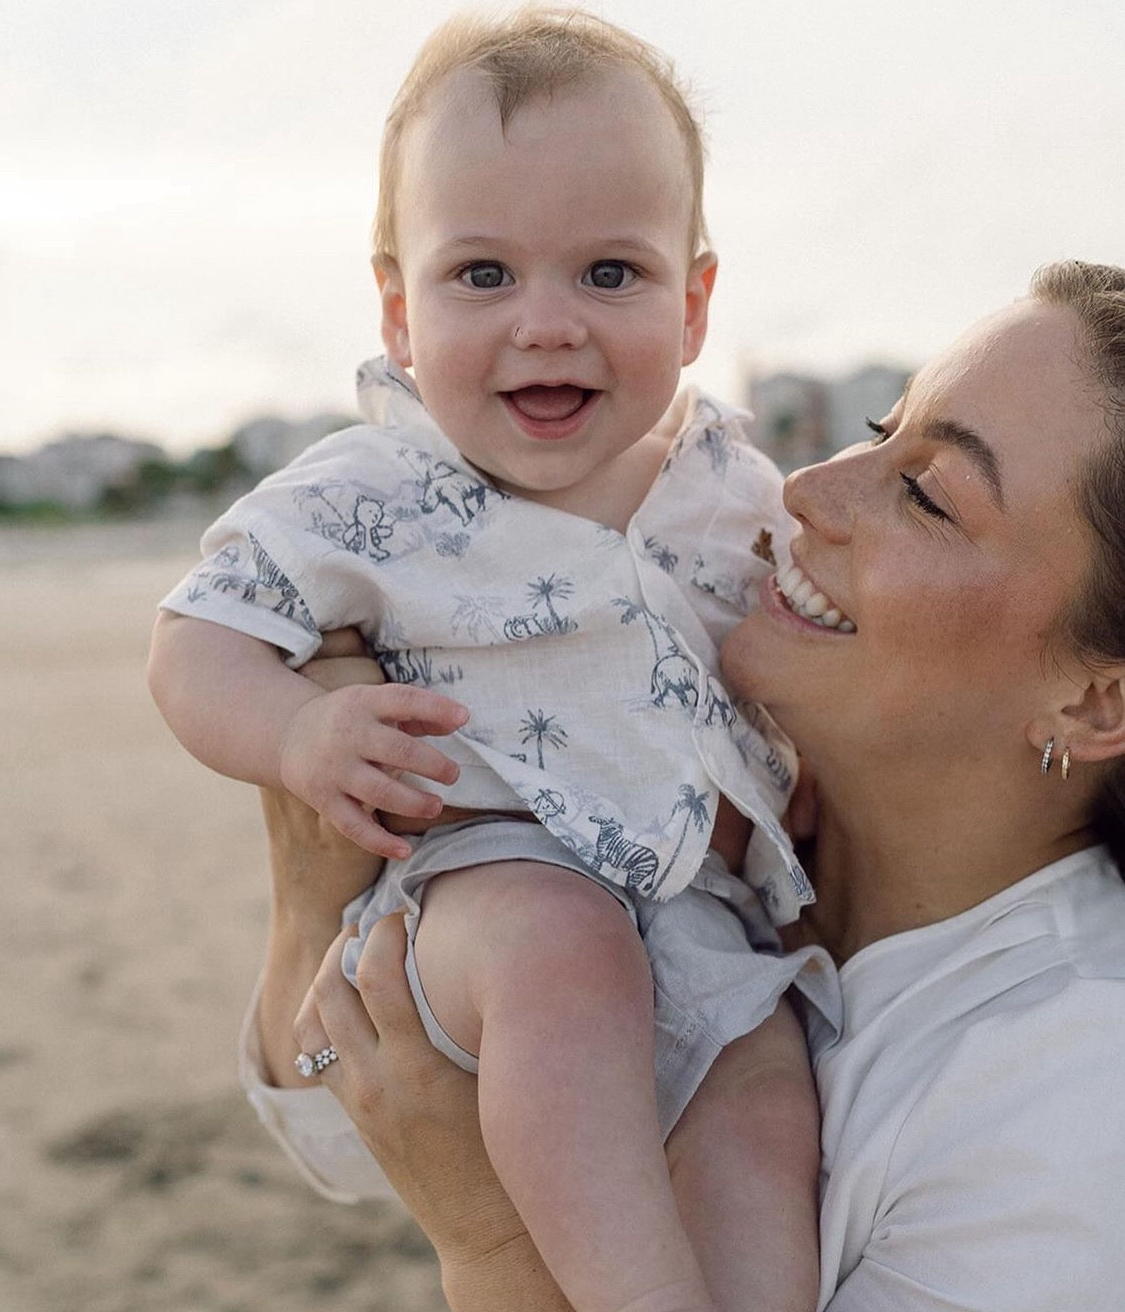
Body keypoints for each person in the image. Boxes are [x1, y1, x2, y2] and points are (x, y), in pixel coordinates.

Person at [256, 259, 1125, 1312]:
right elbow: (354, 1131)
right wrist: (311, 899)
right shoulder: (690, 788)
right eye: (879, 423)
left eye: (925, 494)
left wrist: (490, 1242)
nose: (807, 487)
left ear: (1093, 704)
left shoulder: (1072, 1102)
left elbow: (425, 1145)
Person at [148, 11, 828, 1312]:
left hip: (698, 904)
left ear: (693, 303)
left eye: (608, 274)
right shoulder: (368, 490)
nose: (547, 325)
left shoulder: (731, 487)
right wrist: (296, 736)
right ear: (397, 309)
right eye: (482, 277)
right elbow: (195, 642)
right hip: (481, 886)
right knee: (561, 953)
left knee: (762, 1090)